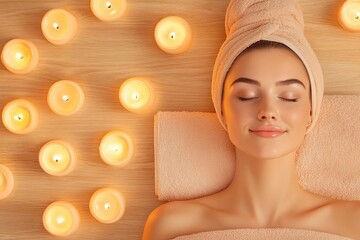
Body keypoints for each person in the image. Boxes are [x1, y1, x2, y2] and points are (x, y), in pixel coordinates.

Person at [143, 1, 360, 239]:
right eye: (247, 96)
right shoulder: (172, 225)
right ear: (222, 111)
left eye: (289, 97)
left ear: (311, 112)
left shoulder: (353, 223)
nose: (268, 111)